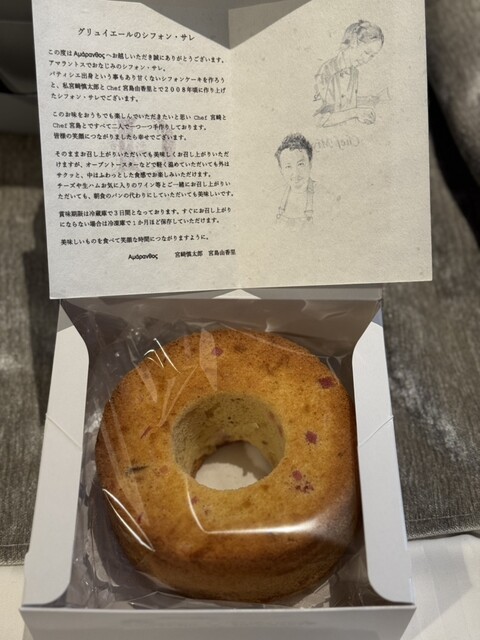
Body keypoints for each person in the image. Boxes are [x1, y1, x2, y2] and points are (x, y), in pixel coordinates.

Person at [314, 20, 384, 127]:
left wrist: (364, 107)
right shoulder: (327, 71)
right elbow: (319, 119)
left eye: (372, 56)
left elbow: (343, 105)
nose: (366, 60)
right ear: (354, 41)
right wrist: (356, 113)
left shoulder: (354, 72)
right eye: (366, 52)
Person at [275, 133, 315, 222]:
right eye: (288, 166)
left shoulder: (325, 195)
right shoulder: (275, 197)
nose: (295, 173)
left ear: (310, 164)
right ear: (281, 170)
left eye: (300, 164)